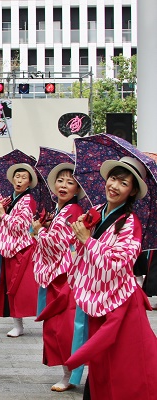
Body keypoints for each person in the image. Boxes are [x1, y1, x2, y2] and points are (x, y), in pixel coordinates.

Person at [66, 156, 157, 399]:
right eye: (113, 178)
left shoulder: (129, 223)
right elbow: (81, 249)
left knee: (124, 364)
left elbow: (119, 263)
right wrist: (78, 234)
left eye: (123, 183)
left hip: (120, 302)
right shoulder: (96, 211)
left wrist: (87, 240)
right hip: (97, 297)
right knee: (101, 362)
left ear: (133, 191)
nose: (114, 186)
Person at [31, 163, 84, 392]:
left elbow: (57, 244)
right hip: (55, 276)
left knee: (64, 329)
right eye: (61, 180)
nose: (64, 185)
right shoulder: (61, 210)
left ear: (77, 189)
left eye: (70, 182)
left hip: (65, 278)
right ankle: (69, 373)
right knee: (57, 328)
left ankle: (70, 374)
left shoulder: (73, 211)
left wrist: (39, 231)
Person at [0, 163, 39, 337]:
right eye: (17, 177)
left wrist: (3, 215)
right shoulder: (12, 198)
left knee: (16, 288)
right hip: (9, 248)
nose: (19, 180)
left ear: (29, 182)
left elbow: (20, 226)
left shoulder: (27, 200)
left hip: (19, 249)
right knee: (11, 288)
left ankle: (19, 324)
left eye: (23, 178)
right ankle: (17, 323)